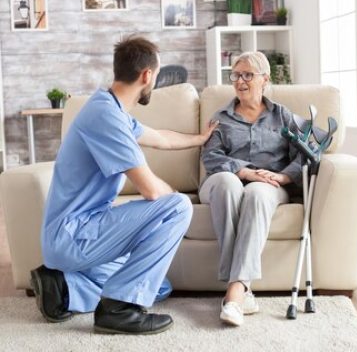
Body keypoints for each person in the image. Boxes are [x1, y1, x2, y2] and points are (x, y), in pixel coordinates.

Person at [30, 36, 218, 335]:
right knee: (178, 205)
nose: (153, 83)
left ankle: (63, 287)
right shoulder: (106, 117)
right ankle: (117, 311)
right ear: (147, 75)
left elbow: (161, 138)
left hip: (78, 236)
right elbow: (152, 191)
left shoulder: (111, 109)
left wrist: (199, 139)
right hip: (75, 235)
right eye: (155, 76)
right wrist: (174, 197)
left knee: (157, 288)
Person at [199, 51, 302, 326]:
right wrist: (244, 171)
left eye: (247, 75)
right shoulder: (221, 116)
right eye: (235, 75)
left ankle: (234, 292)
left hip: (269, 184)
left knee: (256, 193)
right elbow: (211, 157)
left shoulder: (283, 116)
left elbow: (307, 151)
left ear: (264, 79)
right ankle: (242, 289)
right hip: (225, 180)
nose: (240, 81)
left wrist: (282, 178)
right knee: (227, 182)